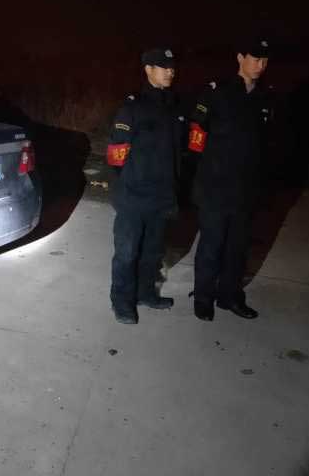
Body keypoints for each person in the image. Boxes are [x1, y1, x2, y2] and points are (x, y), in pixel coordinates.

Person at [187, 37, 274, 321]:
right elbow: (196, 136)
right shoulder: (217, 92)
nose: (260, 65)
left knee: (237, 248)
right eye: (255, 58)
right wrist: (202, 176)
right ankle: (203, 298)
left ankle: (230, 296)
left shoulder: (266, 98)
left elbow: (269, 145)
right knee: (211, 245)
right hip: (215, 187)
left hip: (246, 190)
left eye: (265, 60)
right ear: (240, 58)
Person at [106, 48, 186, 324]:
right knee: (127, 253)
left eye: (172, 66)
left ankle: (145, 293)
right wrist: (130, 184)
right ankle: (121, 301)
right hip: (134, 196)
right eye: (163, 66)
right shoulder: (132, 108)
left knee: (152, 252)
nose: (170, 71)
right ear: (148, 69)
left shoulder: (176, 107)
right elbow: (115, 157)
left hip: (162, 196)